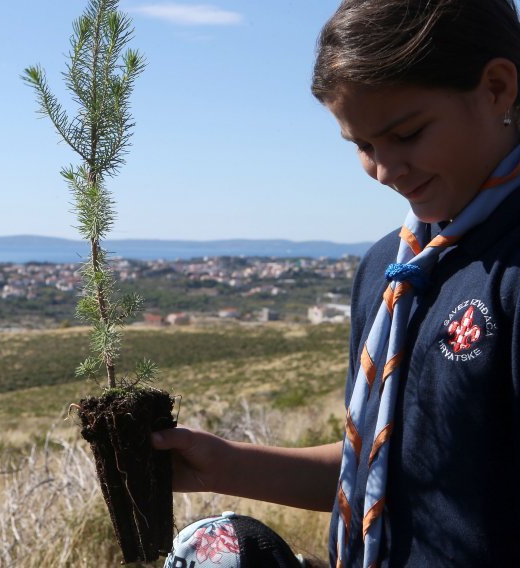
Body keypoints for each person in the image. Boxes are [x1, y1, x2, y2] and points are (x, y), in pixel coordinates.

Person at [152, 0, 520, 565]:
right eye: (364, 147)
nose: (386, 170)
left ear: (496, 87)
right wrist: (224, 464)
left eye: (408, 133)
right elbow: (380, 477)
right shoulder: (390, 270)